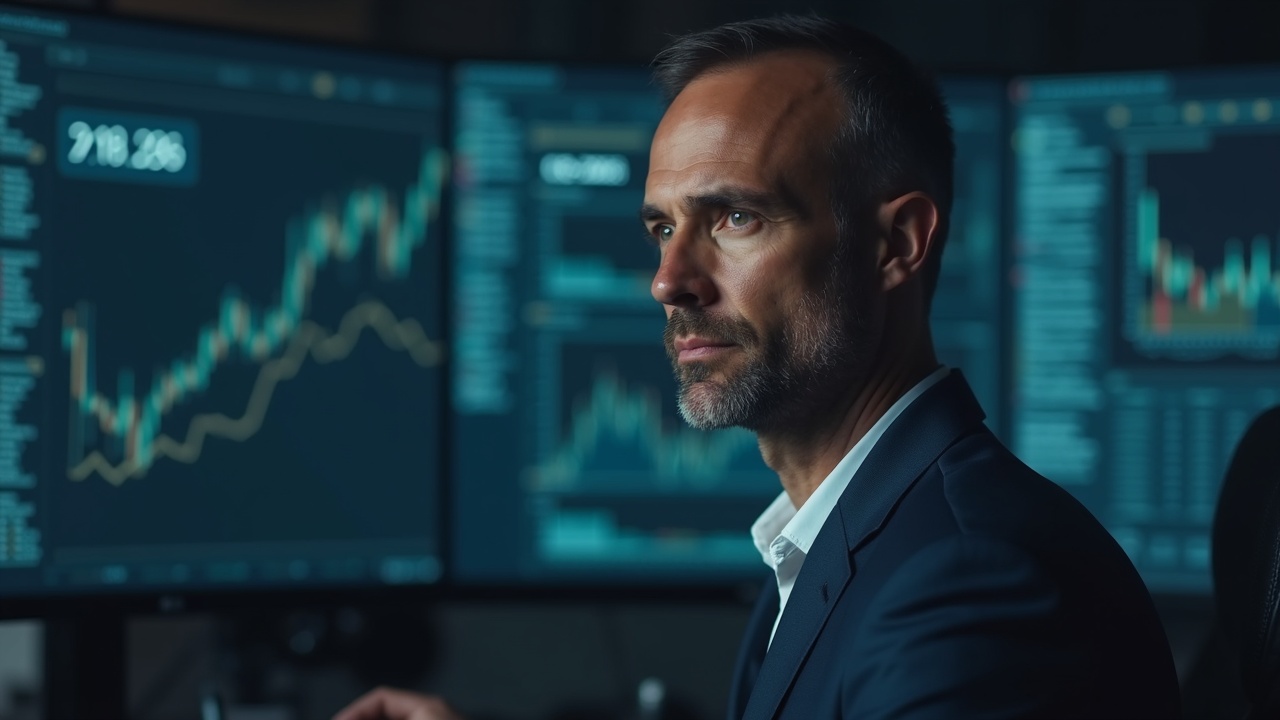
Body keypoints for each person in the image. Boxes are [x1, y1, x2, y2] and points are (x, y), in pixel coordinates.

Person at [335, 15, 1182, 720]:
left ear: (897, 244)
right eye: (662, 228)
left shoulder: (967, 584)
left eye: (735, 217)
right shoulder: (833, 538)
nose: (670, 280)